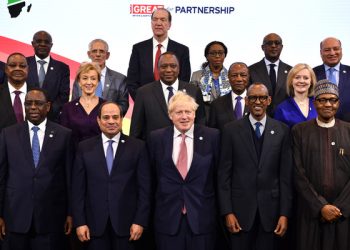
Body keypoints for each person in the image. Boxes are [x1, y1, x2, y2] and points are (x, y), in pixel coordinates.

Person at [218, 83, 293, 250]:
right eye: (252, 98)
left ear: (269, 100)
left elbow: (285, 178)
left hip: (271, 214)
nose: (257, 101)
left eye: (262, 98)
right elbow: (224, 176)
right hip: (239, 214)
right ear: (246, 100)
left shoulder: (282, 131)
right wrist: (227, 212)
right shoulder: (230, 130)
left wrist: (284, 214)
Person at [0, 88, 73, 250]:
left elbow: (69, 177)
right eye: (28, 104)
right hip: (15, 215)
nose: (32, 107)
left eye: (38, 104)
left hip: (51, 218)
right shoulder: (8, 134)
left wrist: (70, 212)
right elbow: (2, 177)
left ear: (47, 107)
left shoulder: (64, 135)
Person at [72, 101, 151, 250]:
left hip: (127, 226)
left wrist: (140, 221)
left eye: (115, 117)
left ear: (122, 119)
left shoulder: (138, 147)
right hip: (93, 226)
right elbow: (78, 189)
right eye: (106, 117)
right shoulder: (84, 147)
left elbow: (145, 189)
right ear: (98, 120)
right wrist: (80, 222)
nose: (111, 121)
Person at [148, 91, 220, 250]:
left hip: (202, 219)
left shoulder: (212, 137)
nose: (184, 116)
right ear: (170, 115)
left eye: (188, 111)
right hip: (167, 219)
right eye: (179, 112)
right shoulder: (156, 138)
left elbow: (218, 177)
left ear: (195, 114)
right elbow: (151, 178)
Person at [292, 79, 350, 250]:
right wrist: (320, 207)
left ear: (338, 103)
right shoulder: (299, 131)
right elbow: (298, 173)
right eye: (322, 99)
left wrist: (339, 208)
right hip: (310, 214)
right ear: (314, 102)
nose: (328, 104)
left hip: (343, 215)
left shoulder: (348, 131)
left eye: (332, 100)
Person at [130, 52, 205, 140]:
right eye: (164, 66)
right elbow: (136, 129)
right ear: (157, 69)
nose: (168, 70)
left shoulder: (193, 91)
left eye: (173, 66)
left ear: (179, 68)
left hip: (186, 148)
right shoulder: (143, 92)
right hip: (153, 150)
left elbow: (200, 124)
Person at [126, 8, 191, 100]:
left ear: (169, 25)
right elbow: (132, 81)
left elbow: (184, 80)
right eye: (155, 19)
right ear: (151, 23)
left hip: (173, 104)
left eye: (163, 20)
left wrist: (174, 102)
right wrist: (143, 102)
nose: (158, 23)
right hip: (145, 104)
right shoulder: (138, 49)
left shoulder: (182, 50)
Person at [71, 39, 129, 115]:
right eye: (94, 51)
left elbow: (123, 106)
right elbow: (74, 103)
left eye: (101, 51)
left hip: (108, 123)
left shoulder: (120, 79)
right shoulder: (80, 78)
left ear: (107, 55)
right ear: (89, 54)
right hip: (82, 123)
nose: (98, 54)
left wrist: (107, 117)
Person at [26, 30, 70, 121]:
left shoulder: (62, 68)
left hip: (52, 119)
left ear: (51, 45)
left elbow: (63, 96)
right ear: (33, 44)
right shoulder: (23, 64)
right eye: (39, 41)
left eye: (46, 42)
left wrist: (47, 111)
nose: (42, 44)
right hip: (25, 116)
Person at [60, 62, 104, 149]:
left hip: (99, 157)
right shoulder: (68, 108)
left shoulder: (105, 106)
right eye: (85, 78)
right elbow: (63, 138)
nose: (89, 82)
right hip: (75, 157)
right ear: (79, 82)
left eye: (93, 78)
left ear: (98, 82)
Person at [249, 33, 292, 114]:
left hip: (284, 119)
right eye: (269, 43)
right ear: (262, 47)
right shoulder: (251, 70)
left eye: (277, 43)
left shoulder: (291, 71)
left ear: (281, 47)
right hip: (259, 117)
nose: (273, 46)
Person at [313, 37, 350, 122]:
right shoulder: (312, 74)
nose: (332, 53)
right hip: (319, 127)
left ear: (341, 50)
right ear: (321, 52)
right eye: (327, 50)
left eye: (336, 49)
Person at [190, 41, 231, 117]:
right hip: (204, 115)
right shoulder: (197, 75)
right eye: (213, 53)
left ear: (225, 55)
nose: (217, 56)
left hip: (226, 115)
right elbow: (192, 98)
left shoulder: (231, 75)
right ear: (206, 56)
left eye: (220, 53)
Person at [209, 62, 249, 131]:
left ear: (248, 77)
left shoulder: (257, 101)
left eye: (243, 75)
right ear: (228, 77)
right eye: (234, 75)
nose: (239, 79)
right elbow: (212, 133)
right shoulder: (216, 105)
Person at [274, 63, 318, 128]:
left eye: (306, 78)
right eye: (297, 77)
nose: (301, 81)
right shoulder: (282, 108)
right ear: (291, 81)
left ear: (311, 81)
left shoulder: (318, 104)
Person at [0, 53, 29, 133]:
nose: (18, 69)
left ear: (28, 69)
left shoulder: (40, 95)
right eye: (12, 65)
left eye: (22, 66)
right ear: (6, 69)